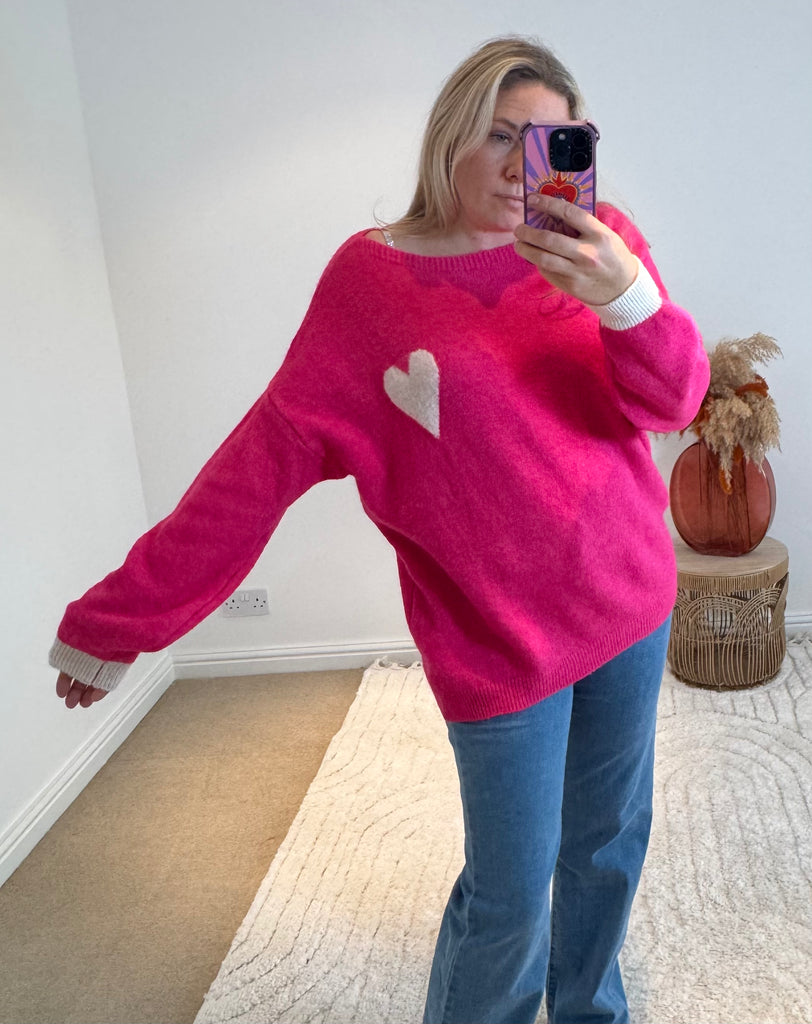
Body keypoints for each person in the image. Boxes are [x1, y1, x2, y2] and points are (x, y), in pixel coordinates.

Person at [50, 35, 709, 1024]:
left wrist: (625, 298)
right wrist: (121, 618)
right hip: (496, 647)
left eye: (549, 141)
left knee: (608, 845)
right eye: (498, 135)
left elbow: (673, 400)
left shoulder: (599, 242)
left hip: (628, 604)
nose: (519, 166)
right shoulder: (368, 284)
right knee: (507, 896)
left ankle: (590, 1010)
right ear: (449, 137)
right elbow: (257, 466)